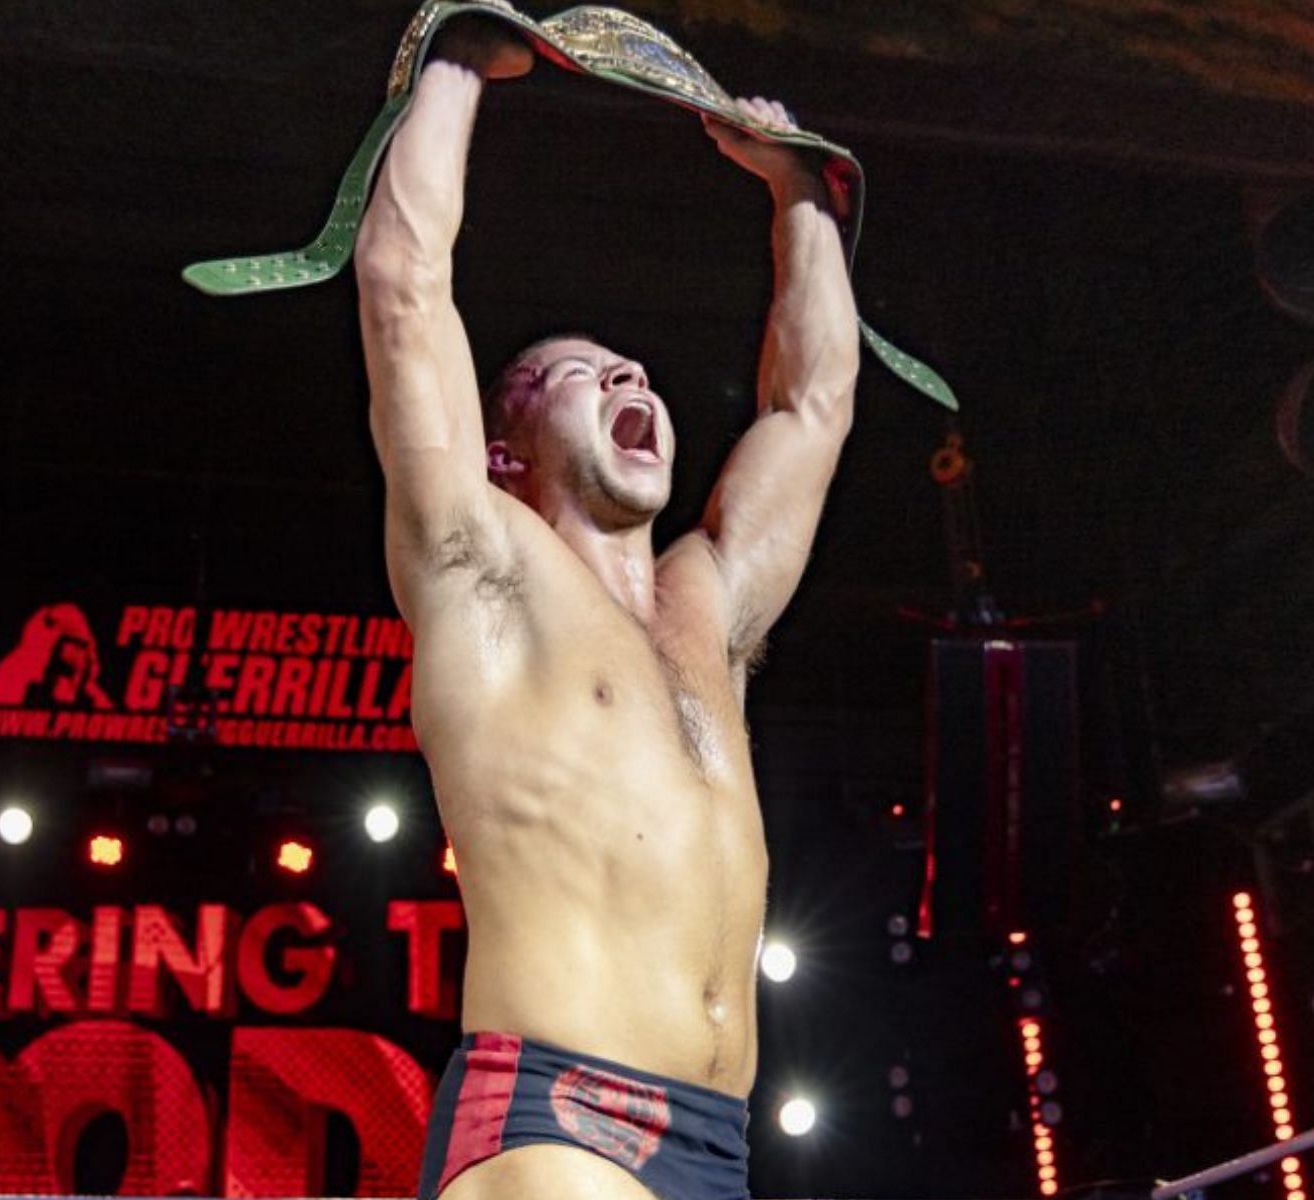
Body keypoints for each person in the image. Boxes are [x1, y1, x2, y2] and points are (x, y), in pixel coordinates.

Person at [353, 16, 859, 1200]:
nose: (631, 378)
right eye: (584, 374)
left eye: (636, 372)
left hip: (719, 1144)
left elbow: (813, 408)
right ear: (505, 450)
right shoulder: (482, 564)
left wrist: (798, 193)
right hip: (558, 1118)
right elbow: (402, 286)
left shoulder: (709, 604)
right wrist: (458, 64)